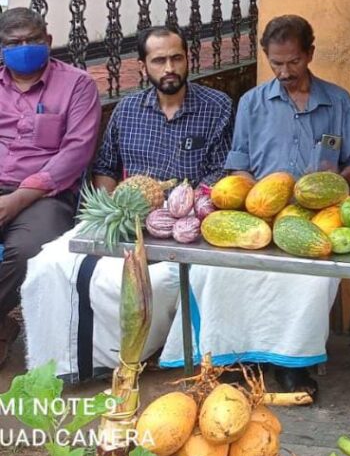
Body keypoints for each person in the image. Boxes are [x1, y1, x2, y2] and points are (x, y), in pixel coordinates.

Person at [161, 14, 350, 396]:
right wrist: (258, 192)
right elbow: (237, 164)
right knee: (219, 272)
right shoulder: (252, 103)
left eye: (293, 62)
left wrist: (331, 186)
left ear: (310, 53)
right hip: (257, 209)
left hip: (317, 214)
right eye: (276, 63)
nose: (285, 71)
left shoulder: (337, 101)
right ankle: (235, 356)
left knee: (309, 277)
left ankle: (292, 363)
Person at [22, 27, 233, 381]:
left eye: (176, 58)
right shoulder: (128, 109)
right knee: (48, 265)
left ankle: (131, 355)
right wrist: (114, 209)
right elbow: (105, 169)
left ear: (187, 59)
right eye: (159, 60)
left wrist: (176, 210)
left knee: (163, 280)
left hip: (184, 226)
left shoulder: (217, 107)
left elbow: (219, 175)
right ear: (143, 65)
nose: (170, 67)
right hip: (124, 221)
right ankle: (64, 362)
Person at [0, 8, 101, 367]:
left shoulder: (77, 85)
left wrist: (17, 199)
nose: (24, 47)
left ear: (48, 40)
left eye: (32, 40)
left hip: (47, 194)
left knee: (29, 250)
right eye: (14, 43)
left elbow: (76, 152)